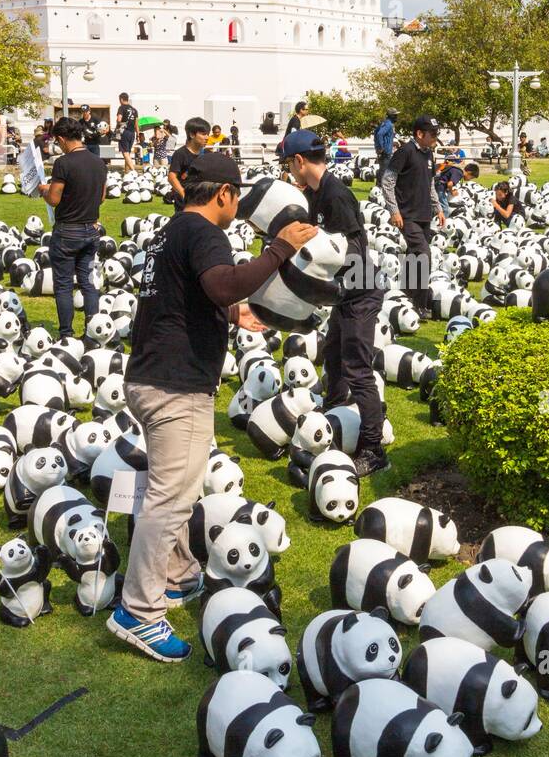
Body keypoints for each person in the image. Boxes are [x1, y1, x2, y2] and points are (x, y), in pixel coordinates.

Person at [107, 154, 316, 662]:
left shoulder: (174, 230)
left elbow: (197, 293)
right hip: (174, 383)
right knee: (172, 498)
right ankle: (138, 610)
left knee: (178, 484)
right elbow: (222, 281)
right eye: (237, 195)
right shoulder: (205, 232)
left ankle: (176, 576)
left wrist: (233, 311)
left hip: (157, 375)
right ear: (223, 193)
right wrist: (278, 250)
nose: (238, 205)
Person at [281, 130, 388, 478]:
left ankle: (373, 449)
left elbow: (355, 250)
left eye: (289, 165)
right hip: (345, 295)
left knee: (358, 369)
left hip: (360, 293)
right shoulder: (315, 194)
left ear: (299, 161)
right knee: (332, 354)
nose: (289, 172)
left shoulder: (335, 195)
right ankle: (334, 413)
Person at [37, 117, 107, 339]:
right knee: (88, 283)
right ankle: (92, 333)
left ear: (61, 138)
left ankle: (66, 333)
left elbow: (54, 199)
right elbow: (102, 197)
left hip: (67, 231)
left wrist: (43, 189)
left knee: (64, 285)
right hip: (91, 229)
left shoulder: (63, 163)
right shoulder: (98, 162)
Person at [381, 115, 444, 320]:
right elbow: (388, 182)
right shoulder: (405, 151)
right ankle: (419, 305)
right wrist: (394, 211)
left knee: (413, 257)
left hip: (424, 214)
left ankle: (405, 297)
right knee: (424, 254)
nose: (436, 138)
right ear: (419, 134)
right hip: (407, 216)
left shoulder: (429, 154)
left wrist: (438, 208)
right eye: (432, 134)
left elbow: (430, 184)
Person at [168, 117, 210, 212]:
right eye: (203, 134)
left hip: (202, 199)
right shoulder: (180, 154)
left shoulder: (207, 154)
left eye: (207, 134)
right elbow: (171, 177)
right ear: (191, 134)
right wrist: (183, 194)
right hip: (184, 202)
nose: (207, 137)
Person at [115, 93, 139, 172]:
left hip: (124, 132)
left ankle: (133, 171)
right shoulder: (134, 110)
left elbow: (119, 119)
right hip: (132, 133)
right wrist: (138, 135)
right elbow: (136, 124)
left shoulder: (121, 108)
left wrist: (118, 124)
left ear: (121, 99)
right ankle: (127, 172)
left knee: (125, 153)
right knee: (128, 153)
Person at [373, 109, 398, 183]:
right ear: (391, 116)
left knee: (383, 169)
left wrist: (377, 146)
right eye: (395, 115)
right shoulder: (388, 124)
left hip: (385, 151)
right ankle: (380, 186)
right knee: (384, 170)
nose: (397, 117)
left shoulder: (384, 123)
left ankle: (378, 185)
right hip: (385, 151)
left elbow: (376, 132)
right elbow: (379, 134)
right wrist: (380, 147)